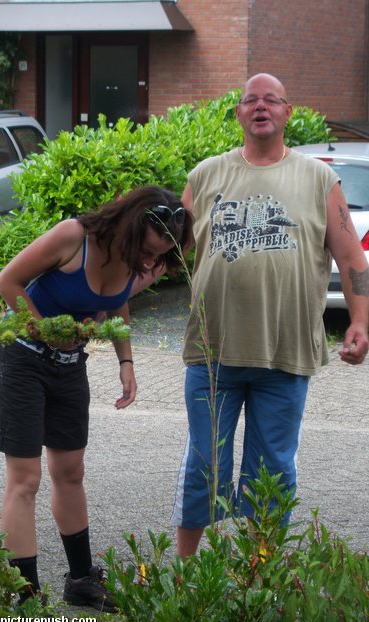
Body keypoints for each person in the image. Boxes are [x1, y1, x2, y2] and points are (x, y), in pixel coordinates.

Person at [171, 73, 369, 560]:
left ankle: (262, 571)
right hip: (212, 352)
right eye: (251, 100)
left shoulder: (319, 178)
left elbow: (353, 260)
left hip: (285, 353)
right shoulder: (205, 176)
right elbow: (166, 251)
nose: (261, 107)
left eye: (272, 100)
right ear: (239, 113)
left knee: (273, 468)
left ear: (287, 112)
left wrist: (361, 322)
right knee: (204, 465)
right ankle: (183, 571)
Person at [0, 185, 192, 610]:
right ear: (131, 230)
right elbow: (7, 281)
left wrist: (126, 361)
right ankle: (25, 597)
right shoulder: (73, 237)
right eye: (149, 253)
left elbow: (115, 300)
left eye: (160, 256)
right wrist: (48, 331)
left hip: (69, 367)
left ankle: (81, 581)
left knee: (71, 472)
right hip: (22, 359)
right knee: (25, 479)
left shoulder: (144, 258)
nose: (152, 264)